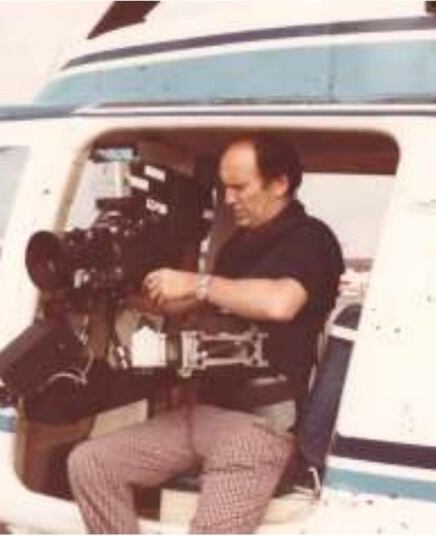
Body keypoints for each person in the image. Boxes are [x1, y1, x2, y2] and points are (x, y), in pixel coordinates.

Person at [67, 134, 344, 533]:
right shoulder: (239, 247)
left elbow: (279, 303)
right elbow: (196, 302)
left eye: (239, 187)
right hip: (200, 414)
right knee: (90, 463)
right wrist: (120, 292)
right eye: (224, 187)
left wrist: (197, 282)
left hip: (258, 427)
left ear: (280, 183)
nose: (228, 199)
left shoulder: (311, 239)